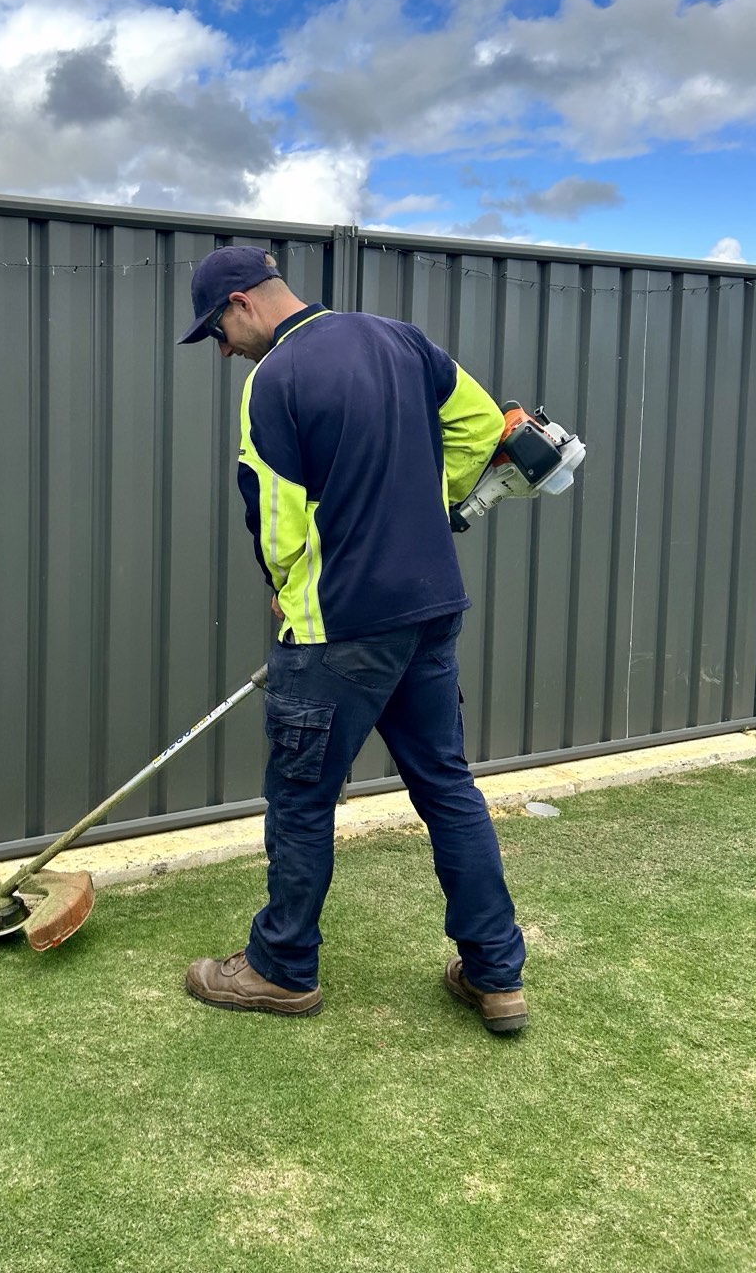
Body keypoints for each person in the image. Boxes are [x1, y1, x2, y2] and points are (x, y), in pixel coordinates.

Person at [177, 245, 527, 1031]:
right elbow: (480, 428)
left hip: (338, 629)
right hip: (430, 608)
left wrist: (288, 591)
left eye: (218, 333)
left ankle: (280, 969)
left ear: (241, 303)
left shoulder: (275, 378)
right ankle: (496, 975)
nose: (224, 351)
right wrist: (421, 505)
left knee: (301, 800)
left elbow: (275, 513)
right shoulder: (402, 340)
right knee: (446, 786)